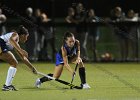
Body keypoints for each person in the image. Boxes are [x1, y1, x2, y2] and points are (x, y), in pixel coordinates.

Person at [0, 25, 38, 91]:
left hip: (2, 46)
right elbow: (11, 40)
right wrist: (21, 50)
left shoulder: (16, 44)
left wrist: (32, 68)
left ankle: (7, 85)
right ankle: (7, 86)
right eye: (27, 36)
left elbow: (23, 58)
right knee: (14, 63)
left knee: (14, 63)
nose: (26, 39)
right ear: (23, 35)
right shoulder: (16, 35)